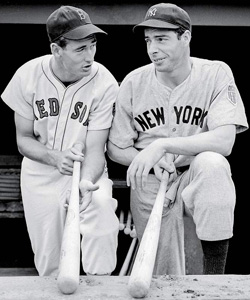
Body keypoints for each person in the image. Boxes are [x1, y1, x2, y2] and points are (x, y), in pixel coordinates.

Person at [108, 3, 248, 275]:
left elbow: (225, 141)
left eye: (161, 39)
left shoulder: (215, 73)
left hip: (193, 173)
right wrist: (146, 160)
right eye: (148, 40)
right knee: (163, 275)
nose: (152, 49)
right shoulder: (134, 82)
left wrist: (162, 146)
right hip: (152, 180)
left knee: (213, 165)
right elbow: (115, 146)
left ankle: (214, 281)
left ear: (185, 38)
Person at [1, 5, 119, 276]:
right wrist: (54, 156)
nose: (90, 56)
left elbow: (95, 150)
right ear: (57, 49)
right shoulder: (28, 75)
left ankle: (100, 290)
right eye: (80, 49)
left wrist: (86, 184)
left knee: (101, 219)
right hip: (40, 174)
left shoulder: (105, 82)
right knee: (51, 263)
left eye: (93, 45)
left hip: (87, 171)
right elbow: (23, 139)